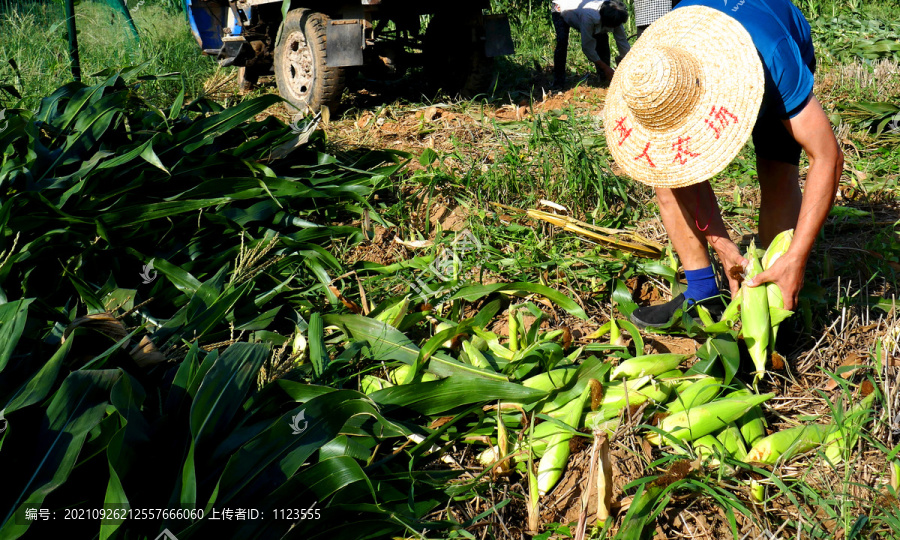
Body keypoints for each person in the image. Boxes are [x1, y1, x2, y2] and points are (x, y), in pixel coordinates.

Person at [602, 0, 842, 329]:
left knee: (776, 170)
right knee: (665, 171)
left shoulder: (776, 57)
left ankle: (775, 292)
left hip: (771, 43)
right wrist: (724, 247)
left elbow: (827, 156)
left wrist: (797, 256)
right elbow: (672, 170)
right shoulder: (664, 56)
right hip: (708, 47)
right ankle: (703, 293)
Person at [551, 0, 631, 88]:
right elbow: (587, 47)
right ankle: (558, 82)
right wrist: (605, 68)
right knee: (562, 42)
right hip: (562, 6)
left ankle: (604, 79)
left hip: (581, 9)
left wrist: (628, 63)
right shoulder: (588, 17)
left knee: (602, 39)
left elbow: (622, 41)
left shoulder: (616, 14)